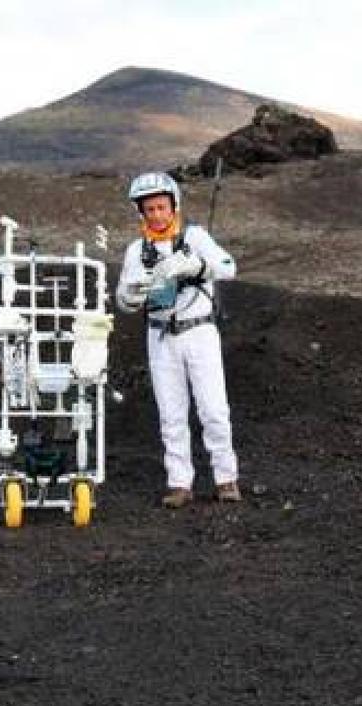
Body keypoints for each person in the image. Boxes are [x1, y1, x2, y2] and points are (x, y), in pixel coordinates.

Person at [115, 172, 241, 508]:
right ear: (140, 213)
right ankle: (179, 483)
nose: (156, 215)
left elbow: (228, 267)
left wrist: (195, 266)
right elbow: (123, 301)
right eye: (149, 209)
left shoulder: (194, 237)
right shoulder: (136, 251)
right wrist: (131, 293)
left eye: (161, 207)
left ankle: (226, 478)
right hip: (159, 336)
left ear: (174, 205)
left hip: (199, 331)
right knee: (171, 414)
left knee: (213, 408)